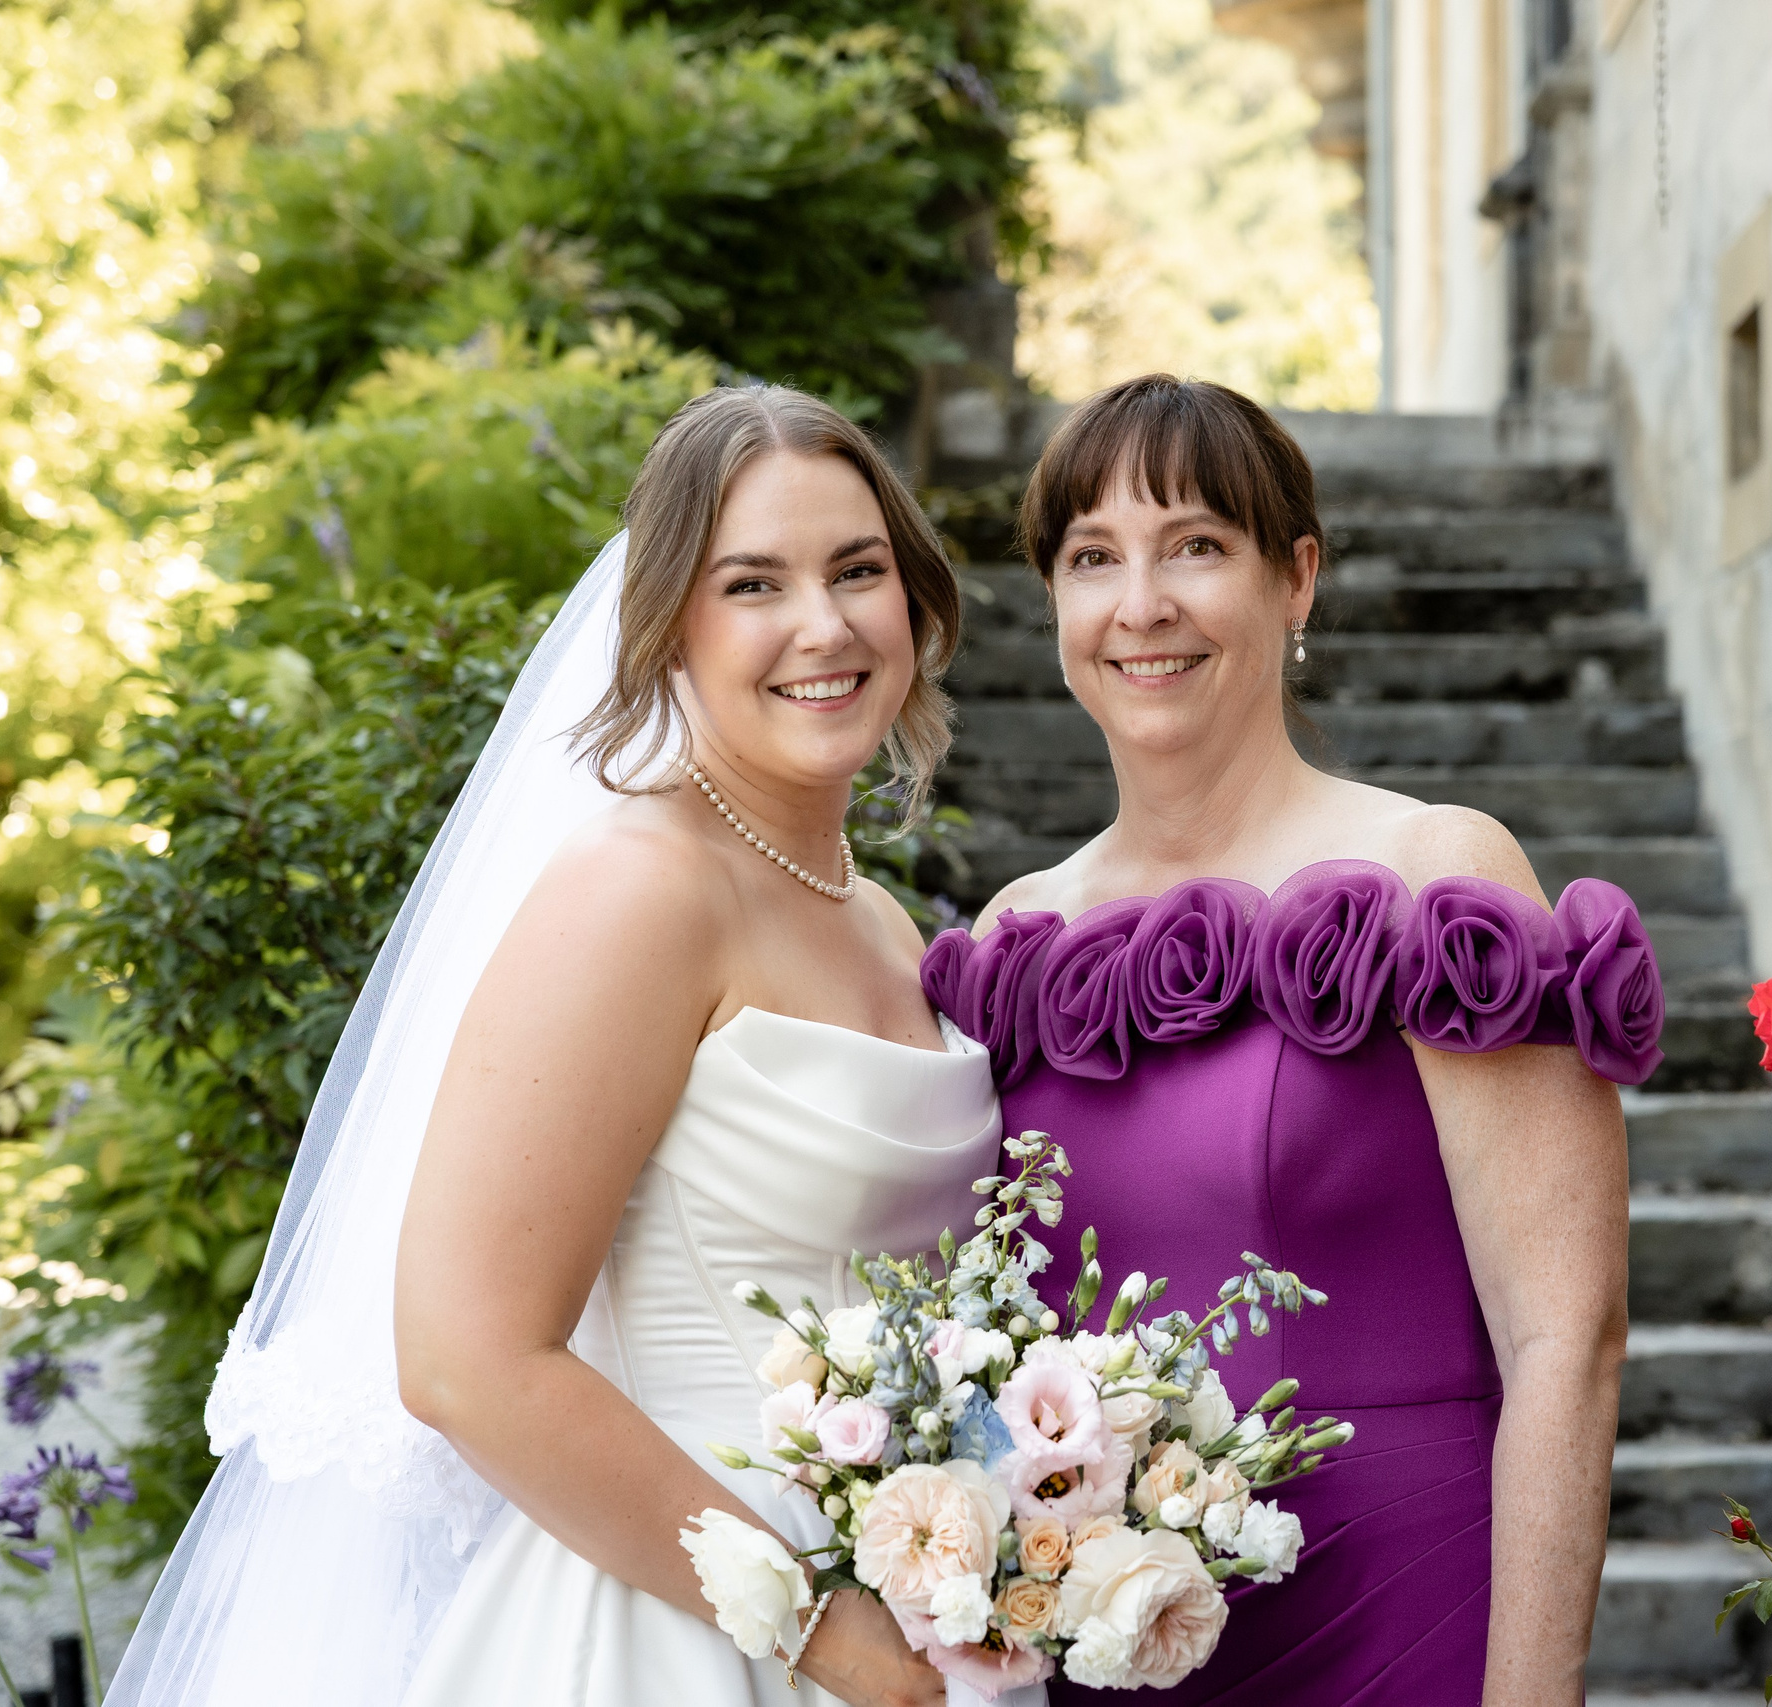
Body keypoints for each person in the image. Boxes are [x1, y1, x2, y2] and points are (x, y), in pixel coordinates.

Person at [110, 386, 1036, 1707]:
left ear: (915, 600)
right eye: (753, 584)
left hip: (927, 1619)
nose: (823, 626)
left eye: (859, 571)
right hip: (692, 1634)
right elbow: (462, 1359)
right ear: (666, 625)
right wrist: (817, 1630)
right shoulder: (639, 889)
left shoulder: (879, 921)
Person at [921, 375, 1654, 1706]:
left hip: (1405, 1615)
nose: (1141, 603)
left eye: (1195, 545)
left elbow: (1570, 1338)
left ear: (1296, 578)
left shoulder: (1437, 871)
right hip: (1116, 1642)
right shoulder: (1020, 930)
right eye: (1094, 558)